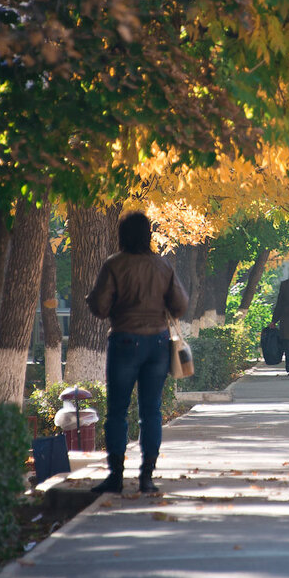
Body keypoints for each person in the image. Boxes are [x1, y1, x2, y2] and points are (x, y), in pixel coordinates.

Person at [87, 211, 189, 496]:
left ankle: (116, 477)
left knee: (117, 412)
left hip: (124, 342)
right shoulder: (162, 265)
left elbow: (100, 307)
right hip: (157, 344)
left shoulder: (114, 265)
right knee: (151, 410)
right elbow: (180, 305)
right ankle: (147, 477)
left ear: (122, 235)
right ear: (148, 234)